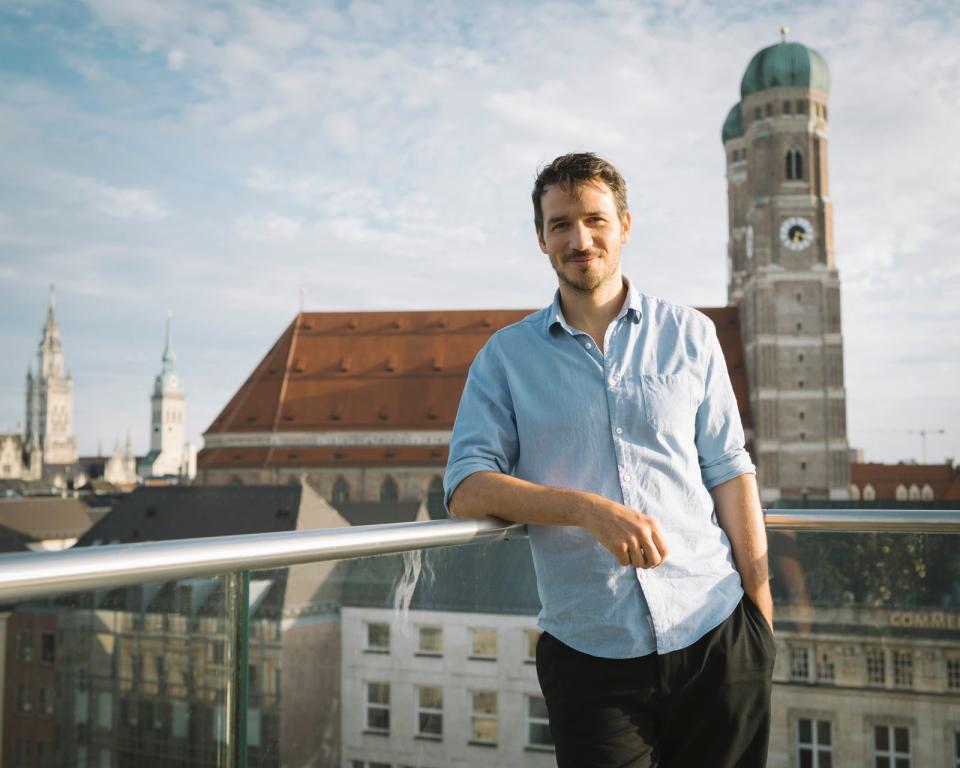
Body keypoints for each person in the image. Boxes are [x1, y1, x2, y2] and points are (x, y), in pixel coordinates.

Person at [444, 152, 774, 767]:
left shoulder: (691, 334)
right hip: (591, 652)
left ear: (624, 224)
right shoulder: (505, 357)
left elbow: (730, 470)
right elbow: (466, 485)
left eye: (594, 219)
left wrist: (760, 616)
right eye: (561, 224)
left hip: (715, 632)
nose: (580, 238)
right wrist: (585, 510)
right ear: (541, 237)